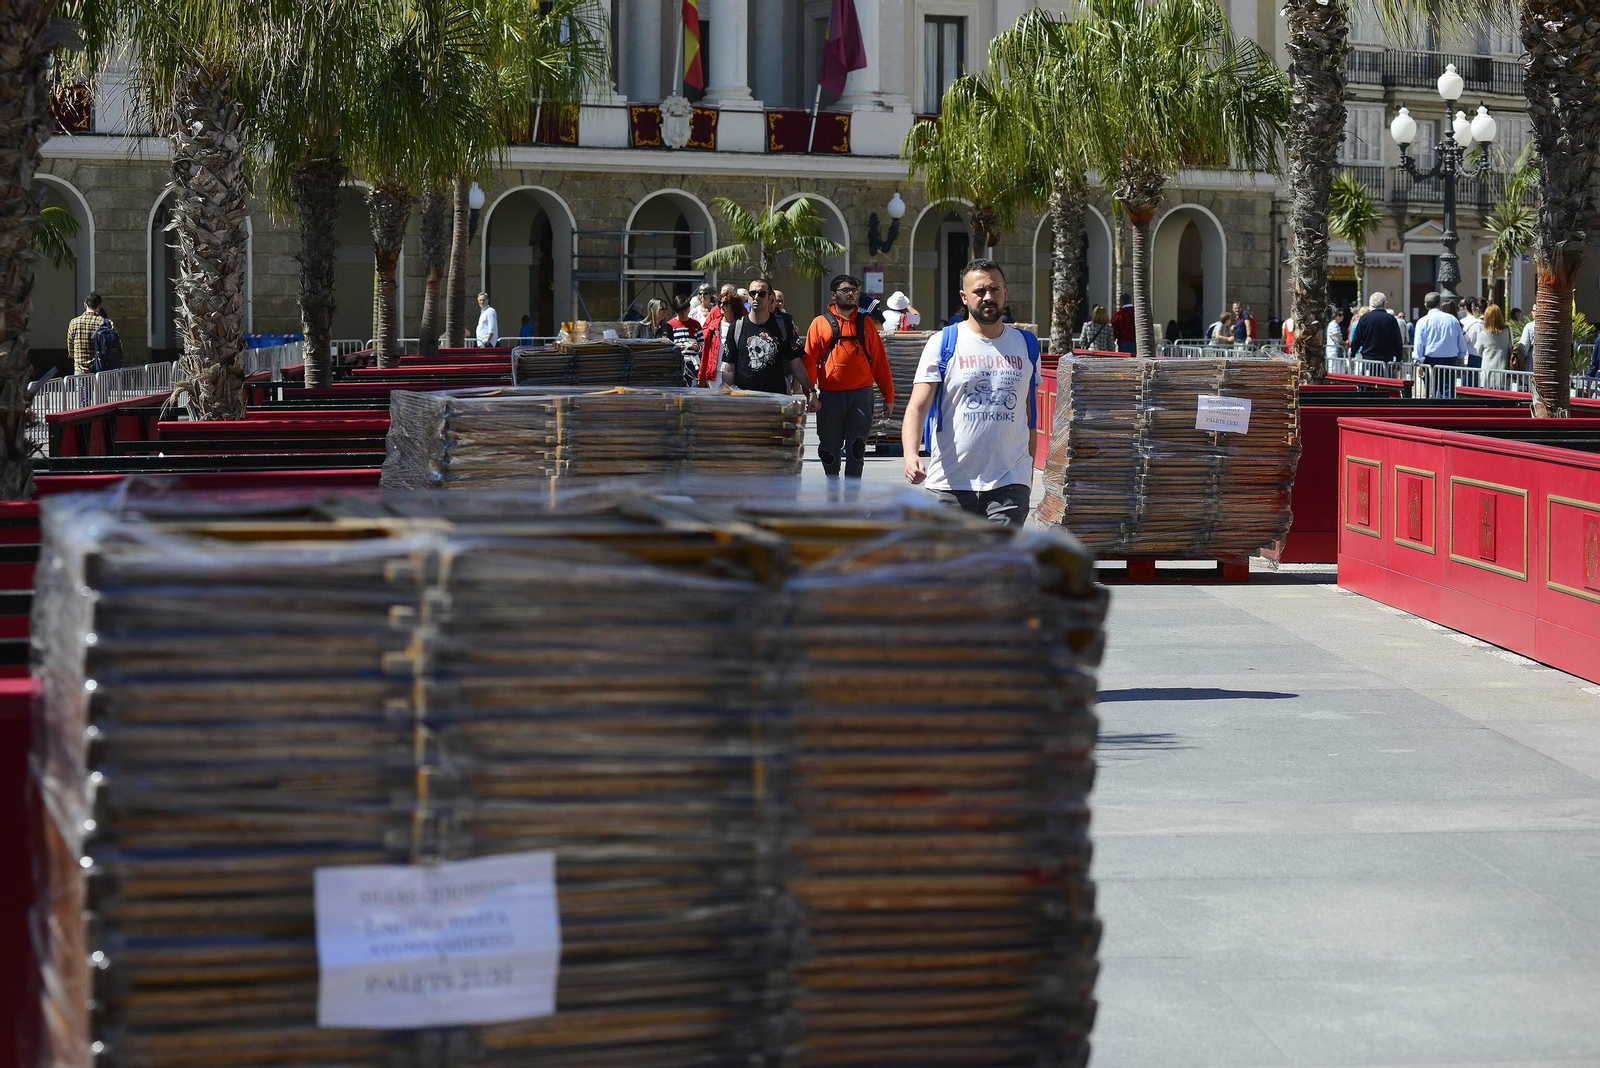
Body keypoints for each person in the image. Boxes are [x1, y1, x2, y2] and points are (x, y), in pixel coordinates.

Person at [901, 259, 1041, 528]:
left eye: (995, 289)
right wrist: (911, 455)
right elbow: (917, 407)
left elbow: (1029, 416)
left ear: (1005, 293)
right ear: (964, 297)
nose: (988, 297)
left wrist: (1028, 474)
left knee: (1000, 556)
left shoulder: (1026, 345)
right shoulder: (942, 343)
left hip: (1010, 483)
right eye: (979, 291)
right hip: (949, 484)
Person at [803, 273, 894, 479]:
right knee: (828, 448)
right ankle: (833, 485)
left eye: (854, 290)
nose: (851, 294)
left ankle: (853, 492)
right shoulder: (819, 323)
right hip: (830, 397)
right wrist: (810, 393)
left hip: (861, 396)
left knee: (857, 448)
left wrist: (889, 395)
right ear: (833, 294)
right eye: (845, 290)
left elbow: (880, 362)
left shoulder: (866, 323)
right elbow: (809, 362)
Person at [720, 277, 818, 405]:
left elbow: (796, 363)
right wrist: (725, 397)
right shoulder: (736, 327)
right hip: (745, 401)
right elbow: (729, 368)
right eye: (752, 293)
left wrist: (811, 391)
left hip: (777, 401)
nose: (756, 297)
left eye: (761, 293)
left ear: (770, 298)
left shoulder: (784, 325)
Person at [1414, 291, 1470, 397]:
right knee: (1448, 392)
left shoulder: (1422, 321)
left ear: (1425, 305)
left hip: (1430, 360)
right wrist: (1461, 358)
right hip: (1450, 360)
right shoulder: (1452, 319)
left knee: (1431, 390)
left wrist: (1419, 362)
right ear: (1439, 303)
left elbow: (1419, 344)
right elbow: (1460, 341)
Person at [698, 284, 744, 385]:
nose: (721, 306)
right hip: (715, 372)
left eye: (725, 303)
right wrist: (702, 376)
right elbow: (706, 352)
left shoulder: (742, 324)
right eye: (720, 303)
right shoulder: (713, 326)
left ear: (734, 306)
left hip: (736, 372)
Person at [1349, 292, 1405, 362]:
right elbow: (1397, 340)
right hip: (1386, 360)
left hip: (1368, 359)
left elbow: (1357, 338)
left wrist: (1353, 352)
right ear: (1383, 303)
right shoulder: (1390, 319)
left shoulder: (1364, 318)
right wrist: (1399, 358)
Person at [66, 291, 110, 375]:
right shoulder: (106, 323)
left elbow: (71, 349)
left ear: (85, 305)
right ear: (99, 307)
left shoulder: (74, 323)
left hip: (80, 371)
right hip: (99, 371)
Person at [667, 295, 704, 384]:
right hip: (676, 364)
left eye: (686, 311)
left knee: (693, 388)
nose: (683, 314)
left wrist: (697, 347)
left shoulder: (696, 324)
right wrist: (676, 347)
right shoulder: (670, 325)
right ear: (676, 311)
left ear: (689, 309)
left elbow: (703, 344)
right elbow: (667, 347)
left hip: (692, 364)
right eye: (680, 312)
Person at [1477, 303, 1513, 388]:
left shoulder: (1483, 334)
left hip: (1487, 371)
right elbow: (1510, 346)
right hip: (1503, 370)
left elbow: (1479, 351)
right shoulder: (1508, 331)